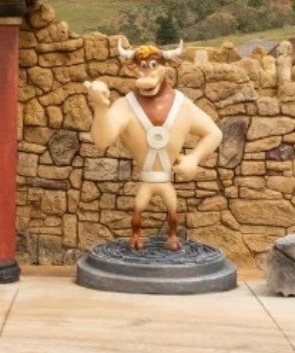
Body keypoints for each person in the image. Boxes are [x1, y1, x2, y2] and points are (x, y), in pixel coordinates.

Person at [83, 39, 222, 250]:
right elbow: (102, 140)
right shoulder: (125, 106)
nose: (146, 73)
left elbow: (214, 133)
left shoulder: (183, 106)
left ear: (165, 68)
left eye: (153, 66)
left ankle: (172, 236)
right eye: (142, 67)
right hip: (147, 178)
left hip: (165, 178)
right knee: (139, 208)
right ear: (135, 69)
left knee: (172, 209)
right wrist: (100, 108)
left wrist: (194, 158)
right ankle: (136, 235)